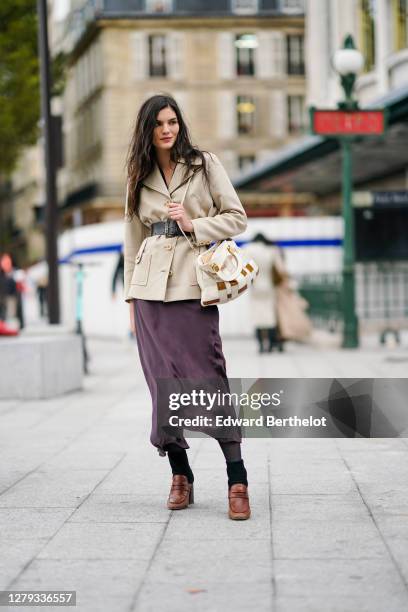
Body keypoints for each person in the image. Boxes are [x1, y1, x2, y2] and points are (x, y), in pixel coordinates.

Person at [124, 94, 251, 520]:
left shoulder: (204, 164)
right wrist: (130, 298)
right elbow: (132, 242)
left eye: (173, 121)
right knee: (161, 383)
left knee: (207, 374)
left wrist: (194, 223)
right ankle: (180, 473)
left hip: (191, 285)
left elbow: (236, 217)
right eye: (159, 123)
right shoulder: (137, 175)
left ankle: (237, 476)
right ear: (148, 129)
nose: (167, 129)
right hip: (148, 291)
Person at [244, 234, 285, 353]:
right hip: (269, 286)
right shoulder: (272, 250)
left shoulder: (248, 249)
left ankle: (261, 345)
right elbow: (281, 269)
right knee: (270, 315)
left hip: (255, 286)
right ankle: (272, 343)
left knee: (257, 315)